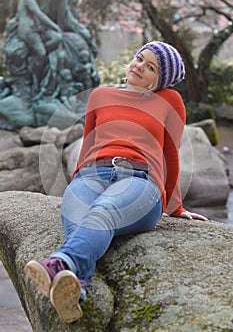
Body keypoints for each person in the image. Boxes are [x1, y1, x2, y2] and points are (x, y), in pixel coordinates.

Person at [24, 41, 208, 324]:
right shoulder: (100, 95)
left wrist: (176, 206)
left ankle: (59, 264)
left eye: (151, 68)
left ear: (160, 81)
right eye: (139, 58)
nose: (138, 66)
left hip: (139, 179)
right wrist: (73, 190)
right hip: (91, 174)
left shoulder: (167, 101)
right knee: (77, 211)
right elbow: (89, 145)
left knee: (103, 209)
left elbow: (171, 154)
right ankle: (75, 289)